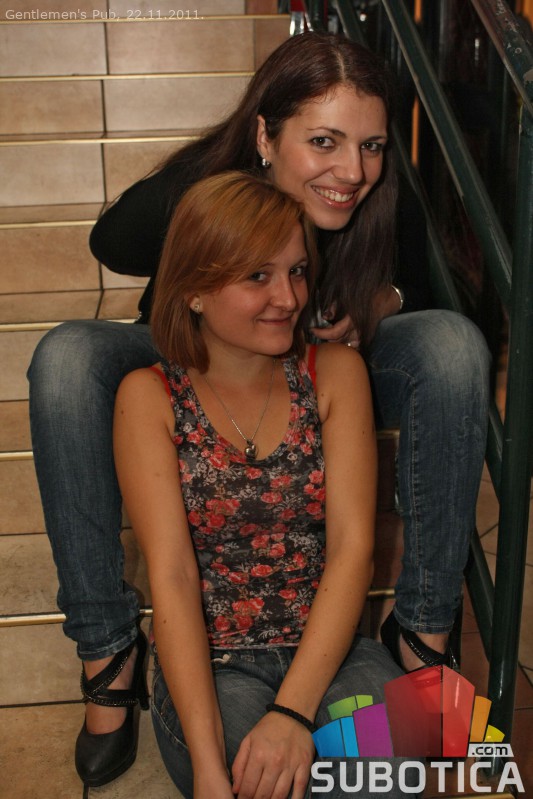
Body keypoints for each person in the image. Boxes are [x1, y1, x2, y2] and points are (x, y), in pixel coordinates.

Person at [27, 31, 490, 790]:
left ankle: (421, 636)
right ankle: (109, 652)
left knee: (450, 346)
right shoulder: (224, 189)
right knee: (68, 358)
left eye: (371, 145)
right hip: (193, 348)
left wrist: (385, 298)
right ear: (266, 135)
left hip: (323, 364)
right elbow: (112, 240)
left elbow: (470, 301)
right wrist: (233, 201)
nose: (352, 170)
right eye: (323, 141)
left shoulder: (374, 201)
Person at [114, 169, 412, 798]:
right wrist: (207, 769)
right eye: (258, 276)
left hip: (332, 652)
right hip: (214, 668)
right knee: (262, 784)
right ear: (195, 290)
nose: (289, 297)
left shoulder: (335, 373)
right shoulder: (150, 397)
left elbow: (353, 550)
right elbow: (172, 578)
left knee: (387, 769)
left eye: (297, 271)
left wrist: (293, 714)